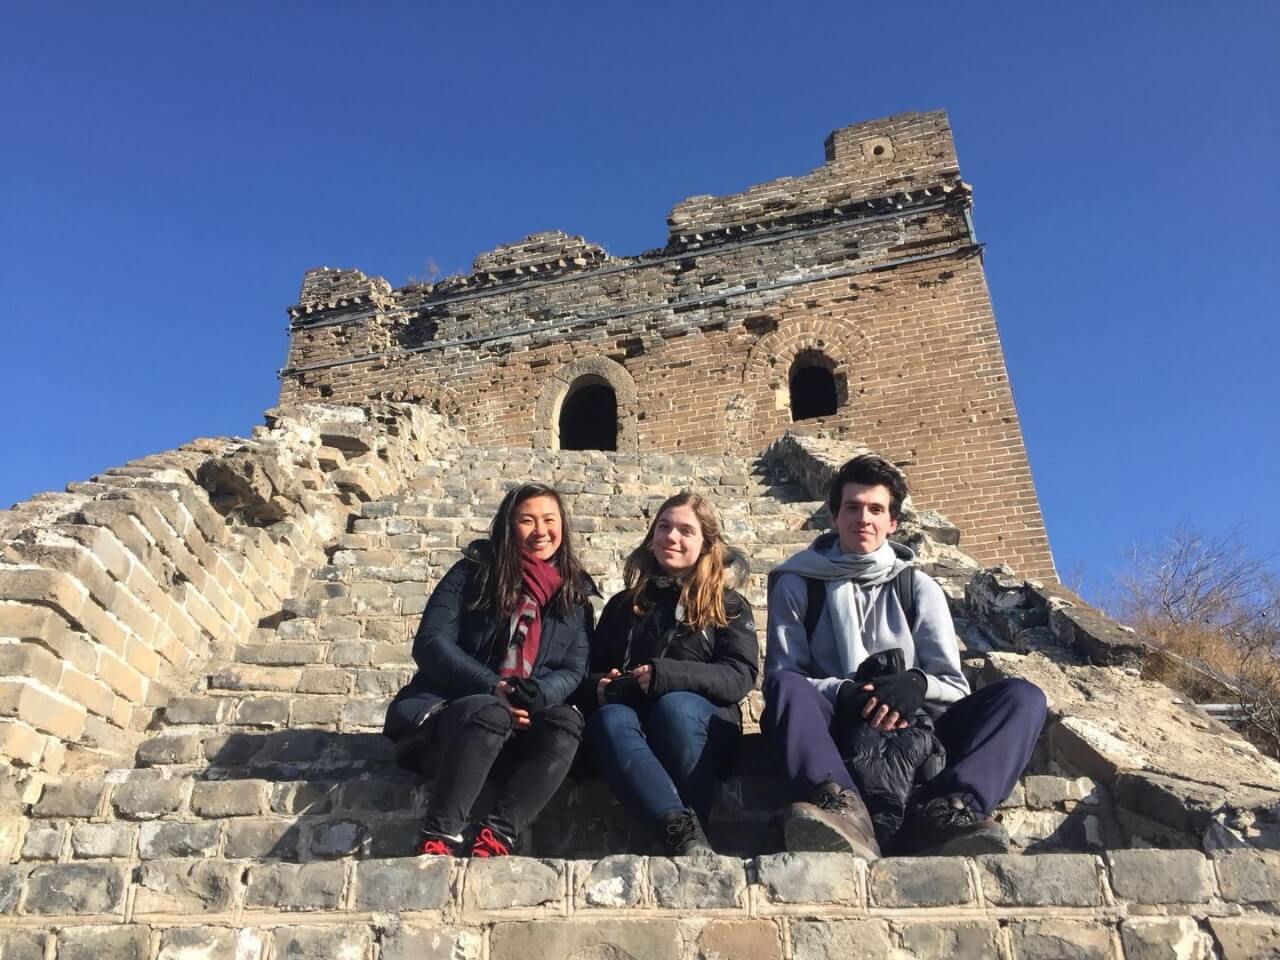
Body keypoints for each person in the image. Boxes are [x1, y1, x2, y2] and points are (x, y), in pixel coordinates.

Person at [763, 454, 1046, 857]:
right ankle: (839, 807)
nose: (864, 518)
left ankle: (950, 810)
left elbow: (951, 685)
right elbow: (783, 674)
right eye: (852, 507)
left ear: (892, 523)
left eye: (876, 509)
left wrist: (915, 685)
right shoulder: (797, 584)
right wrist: (845, 692)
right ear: (834, 516)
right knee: (786, 688)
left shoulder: (917, 586)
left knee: (1023, 697)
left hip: (917, 732)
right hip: (835, 727)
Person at [383, 482, 594, 857]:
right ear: (508, 526)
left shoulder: (574, 598)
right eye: (527, 520)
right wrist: (492, 684)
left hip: (525, 730)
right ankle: (440, 832)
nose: (540, 531)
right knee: (490, 710)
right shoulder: (472, 573)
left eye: (549, 520)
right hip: (453, 722)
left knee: (566, 722)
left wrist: (537, 695)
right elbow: (431, 643)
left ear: (563, 525)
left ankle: (499, 833)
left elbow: (574, 668)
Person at [578, 492, 758, 855]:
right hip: (633, 730)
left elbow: (739, 676)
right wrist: (600, 686)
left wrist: (667, 676)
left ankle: (694, 824)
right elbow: (586, 673)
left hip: (702, 729)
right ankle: (681, 831)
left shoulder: (727, 604)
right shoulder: (622, 606)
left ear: (706, 543)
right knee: (609, 715)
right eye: (664, 527)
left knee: (674, 706)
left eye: (686, 531)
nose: (672, 537)